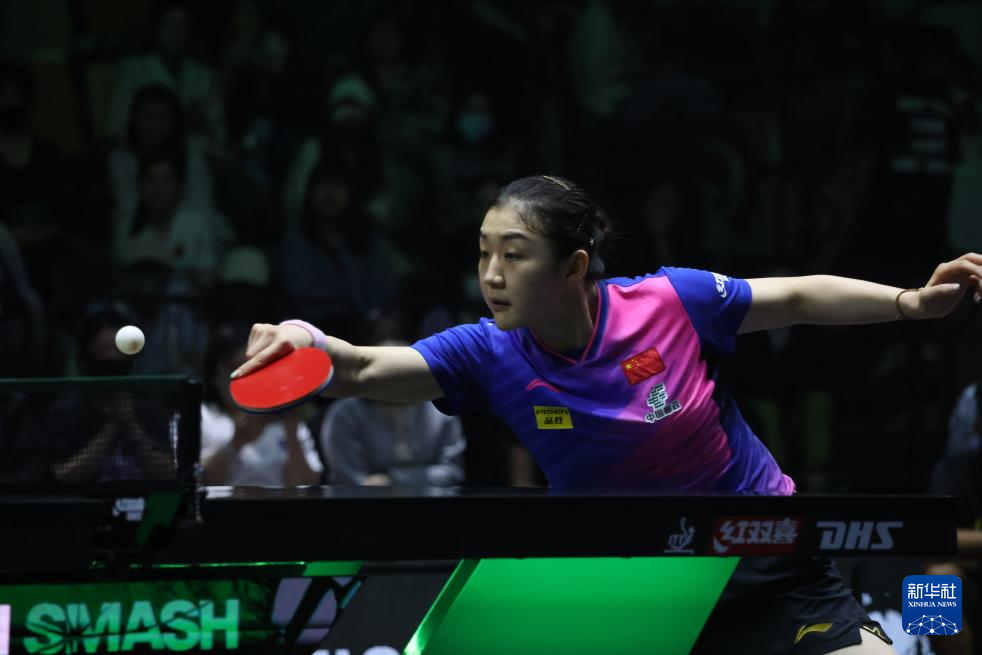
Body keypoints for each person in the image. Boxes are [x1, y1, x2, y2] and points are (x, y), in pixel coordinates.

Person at [234, 175, 982, 654]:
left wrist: (909, 303)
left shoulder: (670, 302)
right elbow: (361, 368)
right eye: (484, 253)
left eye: (514, 255)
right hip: (623, 580)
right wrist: (304, 338)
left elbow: (795, 297)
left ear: (574, 267)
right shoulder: (488, 352)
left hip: (759, 556)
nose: (492, 275)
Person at [319, 338, 465, 488]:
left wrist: (393, 479)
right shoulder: (346, 414)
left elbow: (453, 472)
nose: (396, 378)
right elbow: (350, 480)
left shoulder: (440, 410)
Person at [200, 324, 322, 486]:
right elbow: (196, 481)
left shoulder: (290, 422)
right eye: (236, 367)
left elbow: (306, 485)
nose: (245, 375)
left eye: (255, 367)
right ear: (215, 373)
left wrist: (292, 436)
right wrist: (236, 443)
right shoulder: (201, 417)